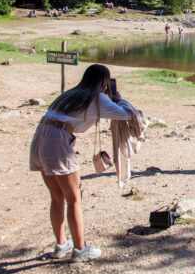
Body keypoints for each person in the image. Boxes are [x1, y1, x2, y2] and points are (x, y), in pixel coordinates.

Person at [29, 64, 136, 263]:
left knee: (57, 197)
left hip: (40, 138)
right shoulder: (97, 98)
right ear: (104, 82)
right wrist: (118, 98)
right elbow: (126, 114)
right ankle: (80, 249)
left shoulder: (70, 95)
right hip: (57, 141)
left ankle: (61, 245)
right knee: (74, 198)